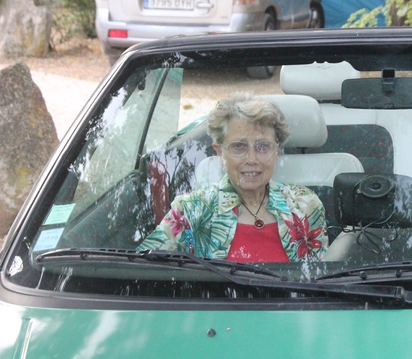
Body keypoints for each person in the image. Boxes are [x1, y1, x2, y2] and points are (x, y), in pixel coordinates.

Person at [139, 94, 328, 262]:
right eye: (239, 146)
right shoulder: (190, 210)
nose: (252, 159)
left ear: (277, 151)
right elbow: (142, 267)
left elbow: (322, 279)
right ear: (220, 152)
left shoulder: (305, 205)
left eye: (263, 146)